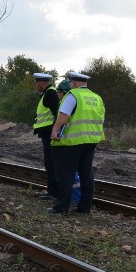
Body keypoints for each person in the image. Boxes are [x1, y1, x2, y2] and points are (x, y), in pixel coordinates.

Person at [49, 71, 106, 215]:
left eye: (70, 82)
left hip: (72, 142)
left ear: (73, 83)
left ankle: (61, 208)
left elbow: (64, 115)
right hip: (91, 141)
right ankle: (84, 208)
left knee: (65, 175)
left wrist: (55, 130)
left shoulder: (72, 95)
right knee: (86, 174)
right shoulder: (97, 98)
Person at [33, 73, 60, 201]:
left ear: (43, 82)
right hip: (47, 133)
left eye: (37, 82)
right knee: (49, 163)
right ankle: (52, 191)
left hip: (50, 134)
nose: (36, 85)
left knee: (51, 164)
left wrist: (55, 131)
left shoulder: (50, 93)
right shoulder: (48, 93)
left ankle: (53, 192)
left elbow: (57, 113)